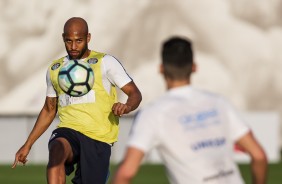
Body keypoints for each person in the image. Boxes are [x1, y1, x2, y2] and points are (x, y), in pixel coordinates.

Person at [112, 37, 268, 184]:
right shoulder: (218, 103)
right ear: (194, 67)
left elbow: (126, 173)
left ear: (161, 69)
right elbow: (259, 156)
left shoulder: (154, 113)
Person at [12, 17, 142, 184]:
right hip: (68, 131)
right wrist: (27, 144)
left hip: (98, 139)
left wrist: (126, 106)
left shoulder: (105, 62)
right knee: (57, 150)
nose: (73, 47)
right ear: (63, 38)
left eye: (79, 41)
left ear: (88, 38)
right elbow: (49, 109)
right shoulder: (56, 69)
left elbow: (135, 93)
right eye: (69, 41)